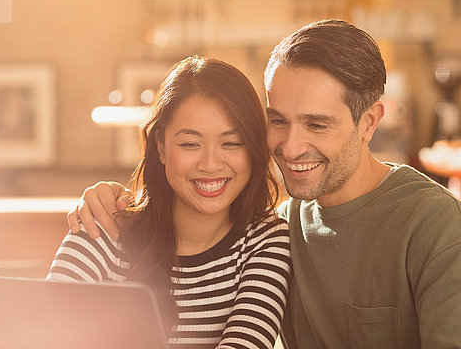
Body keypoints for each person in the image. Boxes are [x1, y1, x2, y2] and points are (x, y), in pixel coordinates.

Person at [68, 20, 461, 349]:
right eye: (278, 121)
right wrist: (114, 197)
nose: (290, 147)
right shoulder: (286, 223)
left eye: (317, 124)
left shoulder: (432, 222)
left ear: (369, 122)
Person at [48, 56, 291, 349]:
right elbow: (42, 334)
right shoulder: (102, 227)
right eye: (190, 144)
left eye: (231, 143)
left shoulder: (266, 241)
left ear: (253, 150)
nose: (211, 165)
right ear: (161, 146)